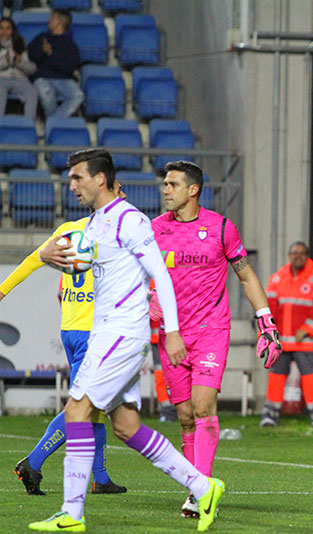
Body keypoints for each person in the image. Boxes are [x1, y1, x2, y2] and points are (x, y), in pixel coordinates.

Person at [28, 149, 224, 532]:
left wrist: (170, 333)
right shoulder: (96, 223)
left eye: (78, 178)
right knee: (127, 427)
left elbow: (160, 276)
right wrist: (51, 257)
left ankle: (72, 513)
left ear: (100, 179)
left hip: (121, 333)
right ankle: (203, 486)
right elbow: (86, 265)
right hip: (107, 332)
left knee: (77, 412)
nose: (73, 186)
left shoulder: (130, 220)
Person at [150, 160, 281, 518]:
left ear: (193, 190)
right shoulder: (154, 230)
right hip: (171, 335)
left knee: (204, 406)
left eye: (173, 184)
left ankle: (200, 490)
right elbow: (140, 276)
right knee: (185, 415)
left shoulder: (221, 228)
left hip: (211, 330)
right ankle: (196, 484)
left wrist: (265, 322)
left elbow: (246, 275)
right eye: (165, 184)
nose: (165, 190)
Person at [1, 182, 127, 497]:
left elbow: (35, 260)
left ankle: (100, 478)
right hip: (92, 334)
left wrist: (2, 290)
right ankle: (33, 461)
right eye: (120, 190)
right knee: (84, 407)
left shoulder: (70, 230)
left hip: (71, 329)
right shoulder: (117, 236)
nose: (125, 196)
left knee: (95, 406)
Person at [261, 241, 313, 429]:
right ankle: (269, 417)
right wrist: (268, 334)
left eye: (301, 253)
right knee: (276, 379)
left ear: (307, 255)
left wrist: (307, 330)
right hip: (281, 340)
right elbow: (270, 309)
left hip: (307, 341)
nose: (297, 256)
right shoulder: (277, 278)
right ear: (288, 255)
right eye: (294, 253)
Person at [27, 10, 83, 117]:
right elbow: (30, 58)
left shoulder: (70, 45)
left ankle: (52, 122)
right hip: (43, 78)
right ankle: (54, 125)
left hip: (64, 79)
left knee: (78, 96)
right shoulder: (42, 38)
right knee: (46, 95)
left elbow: (68, 69)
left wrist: (51, 54)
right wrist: (43, 52)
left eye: (52, 18)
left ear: (59, 22)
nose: (49, 20)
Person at [0, 17, 37, 119]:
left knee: (32, 92)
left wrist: (20, 62)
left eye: (8, 28)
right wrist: (6, 61)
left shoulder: (20, 44)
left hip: (20, 79)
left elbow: (32, 69)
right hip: (1, 79)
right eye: (1, 28)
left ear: (12, 30)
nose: (4, 32)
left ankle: (28, 126)